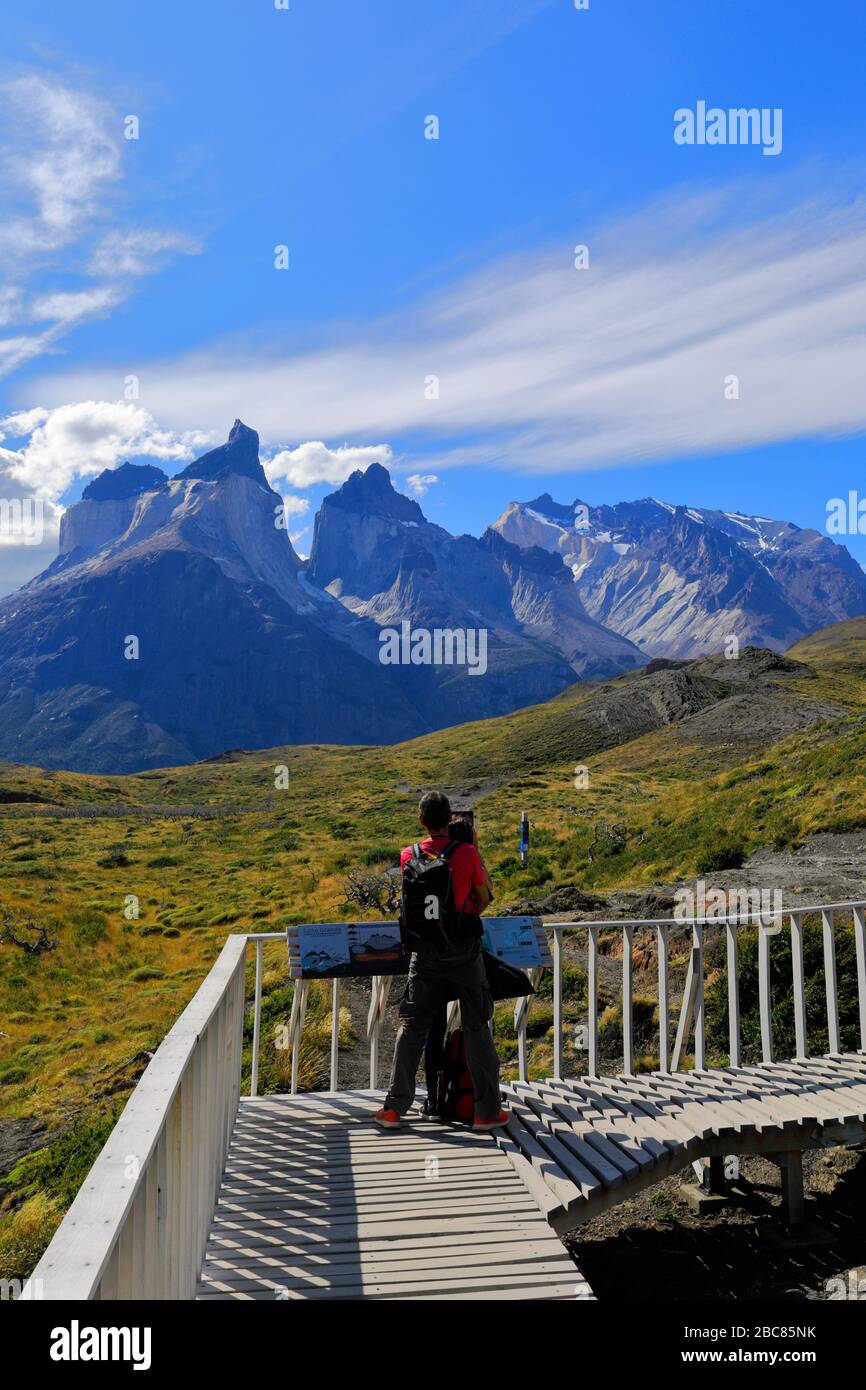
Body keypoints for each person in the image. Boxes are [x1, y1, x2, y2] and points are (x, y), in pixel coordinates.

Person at [374, 791, 510, 1130]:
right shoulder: (466, 854)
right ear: (451, 818)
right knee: (477, 1025)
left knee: (412, 1026)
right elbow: (483, 898)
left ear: (421, 821)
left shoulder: (409, 855)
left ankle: (394, 1108)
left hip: (424, 954)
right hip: (463, 953)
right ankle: (486, 1111)